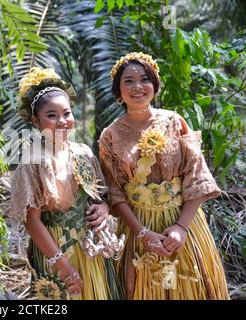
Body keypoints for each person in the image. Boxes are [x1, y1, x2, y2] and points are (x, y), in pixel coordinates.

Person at [98, 52, 229, 299]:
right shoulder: (110, 136)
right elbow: (114, 192)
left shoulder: (175, 122)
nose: (137, 86)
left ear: (155, 86)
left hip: (183, 225)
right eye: (128, 81)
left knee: (183, 286)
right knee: (147, 288)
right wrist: (142, 233)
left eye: (144, 79)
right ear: (118, 91)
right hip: (138, 231)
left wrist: (181, 227)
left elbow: (196, 177)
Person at [9, 67, 123, 300]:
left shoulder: (82, 152)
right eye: (51, 115)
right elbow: (32, 221)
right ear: (35, 121)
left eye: (67, 113)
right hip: (56, 250)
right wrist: (61, 264)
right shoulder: (33, 161)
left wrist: (102, 209)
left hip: (92, 247)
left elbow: (99, 196)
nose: (62, 121)